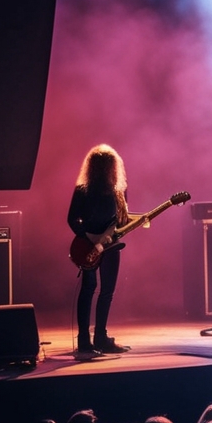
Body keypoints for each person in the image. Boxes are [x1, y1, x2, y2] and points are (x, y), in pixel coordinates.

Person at [67, 144, 138, 355]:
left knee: (106, 291)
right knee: (90, 289)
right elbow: (72, 219)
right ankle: (83, 341)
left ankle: (100, 338)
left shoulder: (119, 190)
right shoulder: (83, 190)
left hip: (111, 245)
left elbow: (121, 221)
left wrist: (136, 222)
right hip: (89, 245)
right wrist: (88, 238)